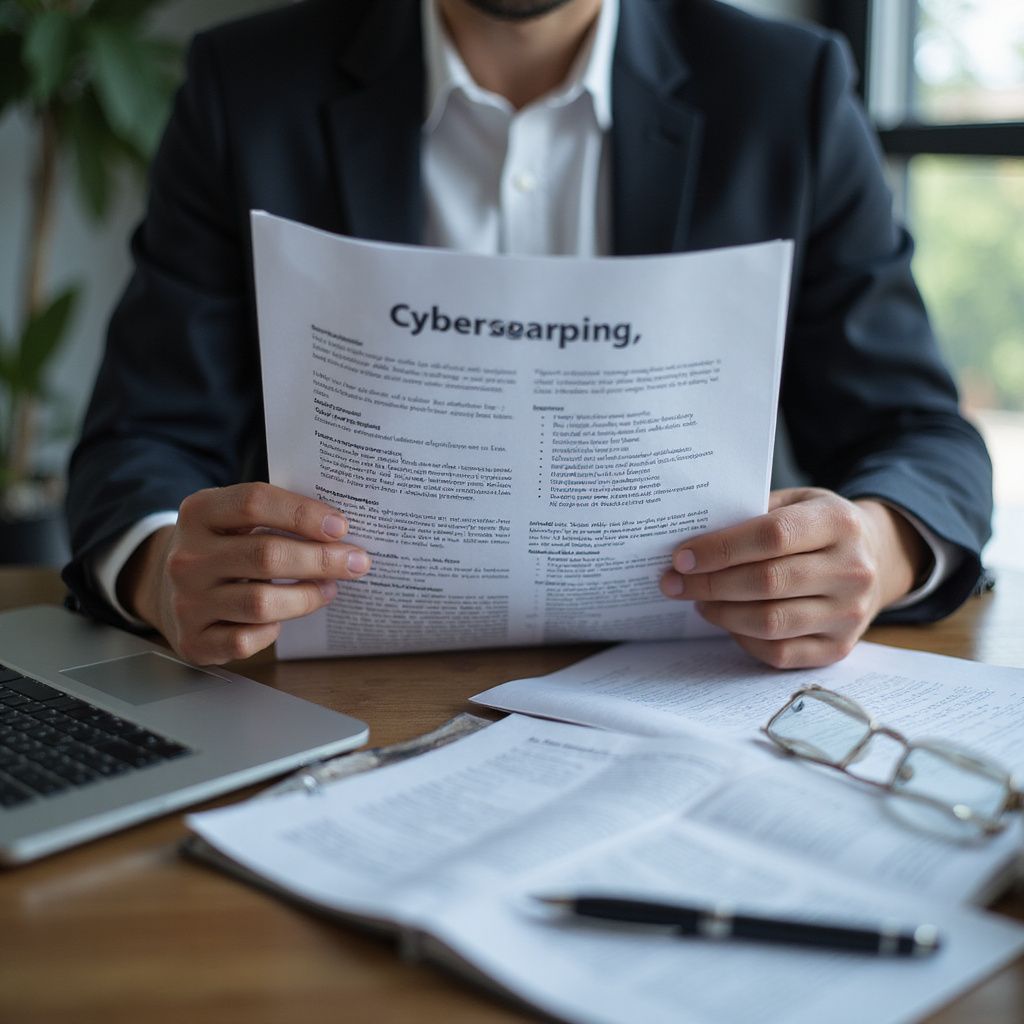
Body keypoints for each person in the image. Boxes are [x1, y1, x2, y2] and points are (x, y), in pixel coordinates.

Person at [63, 0, 993, 669]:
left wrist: (874, 548)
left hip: (688, 701)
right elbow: (141, 437)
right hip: (331, 709)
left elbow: (921, 437)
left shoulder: (788, 91)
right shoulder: (248, 86)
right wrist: (160, 575)